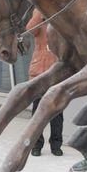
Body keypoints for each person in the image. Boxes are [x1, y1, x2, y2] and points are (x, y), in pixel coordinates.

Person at [25, 10, 63, 157]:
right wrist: (40, 13)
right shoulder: (39, 14)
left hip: (57, 70)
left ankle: (56, 145)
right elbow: (30, 29)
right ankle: (36, 145)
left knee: (57, 112)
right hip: (39, 70)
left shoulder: (59, 15)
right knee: (37, 112)